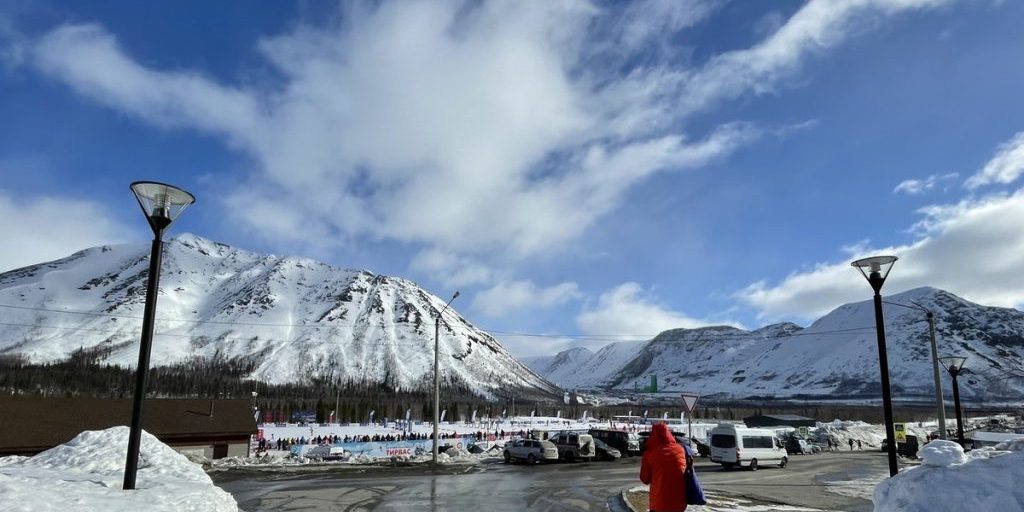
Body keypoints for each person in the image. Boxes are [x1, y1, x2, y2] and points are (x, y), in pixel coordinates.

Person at [640, 423, 688, 512]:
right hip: (679, 502)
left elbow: (645, 479)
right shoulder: (681, 449)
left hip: (659, 503)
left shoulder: (650, 453)